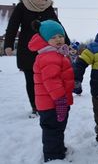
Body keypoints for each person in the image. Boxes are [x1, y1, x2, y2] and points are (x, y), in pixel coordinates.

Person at [3, 0, 70, 118]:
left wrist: (67, 43)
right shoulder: (22, 5)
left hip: (46, 49)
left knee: (49, 77)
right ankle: (35, 106)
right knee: (31, 79)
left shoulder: (48, 7)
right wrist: (8, 44)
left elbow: (58, 26)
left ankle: (48, 102)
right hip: (27, 48)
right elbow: (13, 25)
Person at [27, 20, 74, 162]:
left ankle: (57, 149)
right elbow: (51, 80)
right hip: (52, 103)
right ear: (45, 39)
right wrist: (60, 99)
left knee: (57, 128)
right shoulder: (49, 57)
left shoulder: (56, 54)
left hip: (54, 102)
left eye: (60, 36)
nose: (58, 39)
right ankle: (53, 156)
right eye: (53, 37)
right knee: (52, 130)